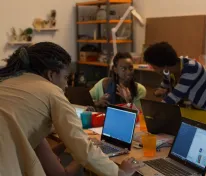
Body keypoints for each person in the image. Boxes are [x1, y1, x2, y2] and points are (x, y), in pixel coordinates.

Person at [0, 42, 143, 176]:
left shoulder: (7, 83)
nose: (66, 85)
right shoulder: (51, 91)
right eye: (65, 77)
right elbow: (82, 150)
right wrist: (120, 173)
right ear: (51, 75)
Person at [143, 42, 206, 124]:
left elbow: (175, 96)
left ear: (164, 66)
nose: (153, 70)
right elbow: (163, 87)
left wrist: (155, 112)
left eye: (154, 67)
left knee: (204, 133)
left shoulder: (191, 67)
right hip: (194, 103)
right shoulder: (167, 72)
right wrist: (157, 92)